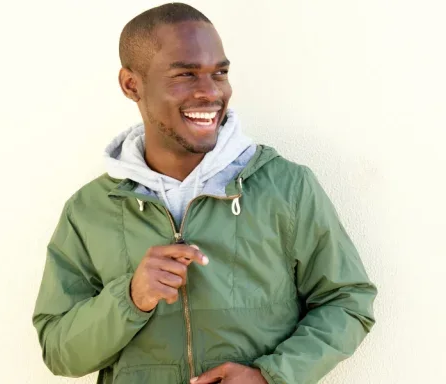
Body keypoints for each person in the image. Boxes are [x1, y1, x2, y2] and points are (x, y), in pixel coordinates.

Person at [32, 3, 377, 384]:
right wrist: (129, 297)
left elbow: (348, 302)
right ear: (132, 85)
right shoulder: (89, 210)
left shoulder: (287, 187)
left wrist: (270, 377)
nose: (210, 92)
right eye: (186, 74)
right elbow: (59, 352)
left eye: (220, 73)